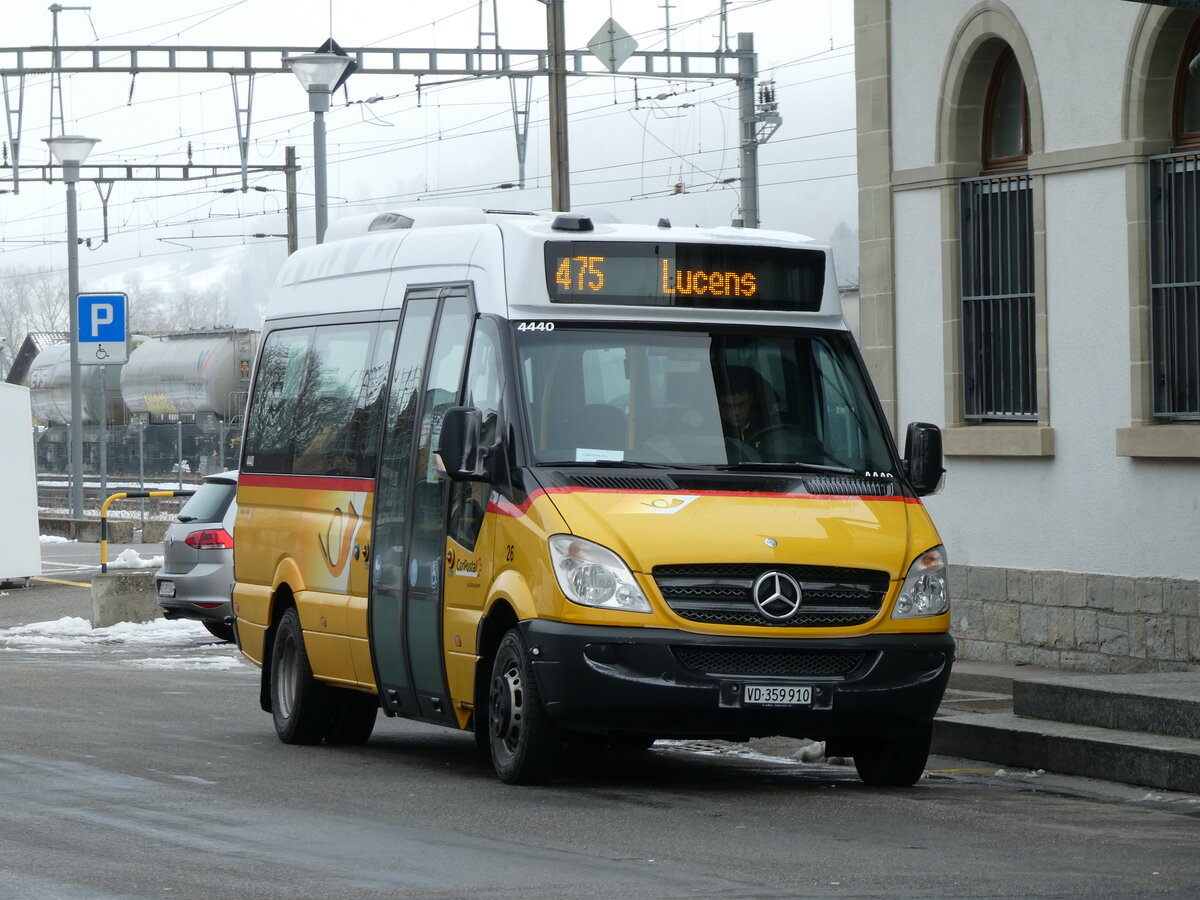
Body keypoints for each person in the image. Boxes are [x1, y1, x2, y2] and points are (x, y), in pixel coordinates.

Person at [716, 366, 768, 444]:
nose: (735, 412)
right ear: (718, 403)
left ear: (751, 399)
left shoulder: (767, 426)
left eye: (741, 404)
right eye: (726, 405)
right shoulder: (712, 432)